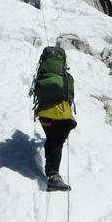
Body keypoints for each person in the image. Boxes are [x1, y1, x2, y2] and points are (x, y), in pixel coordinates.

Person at [30, 46, 77, 191]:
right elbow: (69, 96)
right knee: (57, 142)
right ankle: (54, 177)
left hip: (43, 113)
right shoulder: (65, 76)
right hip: (60, 114)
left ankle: (50, 170)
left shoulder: (42, 73)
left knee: (51, 138)